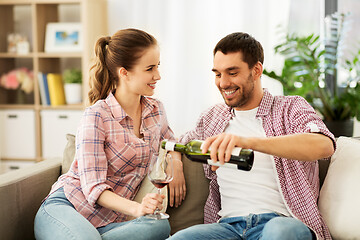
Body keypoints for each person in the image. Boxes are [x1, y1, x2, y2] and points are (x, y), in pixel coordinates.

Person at [168, 32, 335, 240]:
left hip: (280, 223)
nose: (223, 83)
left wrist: (246, 142)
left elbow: (324, 145)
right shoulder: (212, 118)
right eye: (218, 74)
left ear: (256, 70)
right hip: (227, 228)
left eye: (232, 72)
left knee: (280, 232)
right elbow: (176, 141)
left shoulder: (290, 108)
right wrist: (175, 163)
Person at [34, 28, 186, 240]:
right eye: (150, 68)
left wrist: (176, 164)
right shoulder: (96, 116)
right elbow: (94, 188)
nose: (158, 75)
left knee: (159, 227)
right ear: (124, 73)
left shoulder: (155, 110)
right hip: (69, 208)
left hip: (110, 223)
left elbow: (171, 142)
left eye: (158, 66)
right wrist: (137, 209)